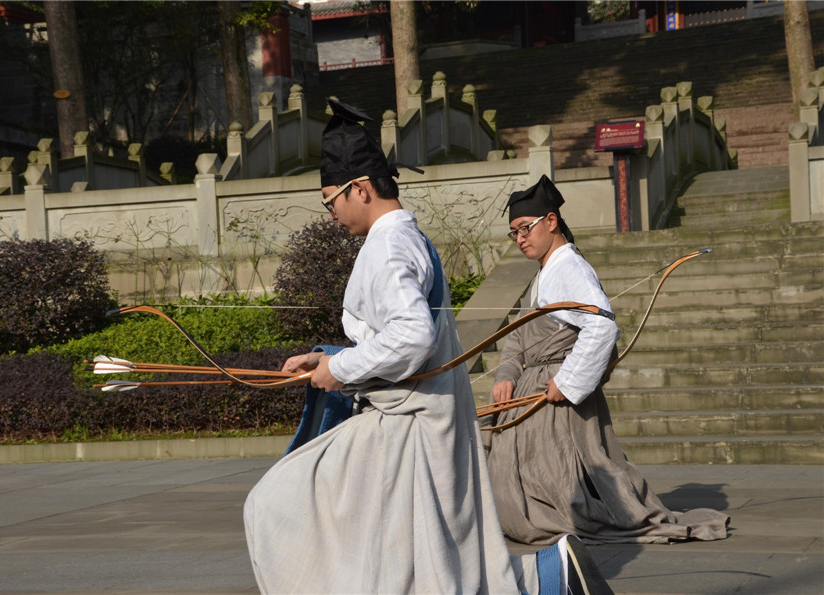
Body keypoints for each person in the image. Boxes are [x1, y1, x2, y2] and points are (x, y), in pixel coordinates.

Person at [243, 100, 614, 594]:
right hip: (418, 416)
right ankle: (552, 578)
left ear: (360, 189)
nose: (329, 212)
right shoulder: (399, 237)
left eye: (330, 199)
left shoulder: (389, 244)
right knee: (419, 556)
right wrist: (329, 357)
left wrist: (342, 367)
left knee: (277, 500)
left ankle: (549, 578)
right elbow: (396, 333)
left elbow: (413, 336)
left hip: (408, 424)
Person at [483, 175, 730, 545]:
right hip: (536, 388)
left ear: (551, 222)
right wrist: (506, 373)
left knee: (556, 483)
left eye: (525, 228)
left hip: (558, 395)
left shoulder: (570, 268)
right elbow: (519, 335)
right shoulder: (547, 271)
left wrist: (566, 383)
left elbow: (601, 328)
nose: (520, 238)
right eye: (513, 232)